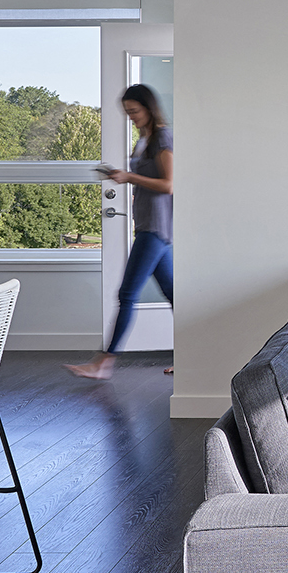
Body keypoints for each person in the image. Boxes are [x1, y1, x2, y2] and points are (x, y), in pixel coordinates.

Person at [65, 84, 173, 380]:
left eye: (134, 111)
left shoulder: (163, 137)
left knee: (127, 293)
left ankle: (104, 363)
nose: (131, 117)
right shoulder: (144, 139)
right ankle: (193, 358)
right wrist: (121, 176)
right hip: (151, 226)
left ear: (149, 108)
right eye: (127, 113)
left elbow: (169, 184)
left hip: (155, 227)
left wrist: (129, 177)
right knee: (175, 294)